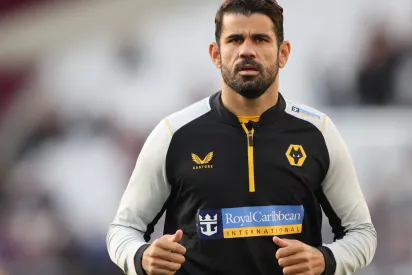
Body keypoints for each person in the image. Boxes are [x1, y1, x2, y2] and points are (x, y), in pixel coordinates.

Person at [106, 1, 377, 274]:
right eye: (235, 40)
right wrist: (140, 257)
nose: (247, 50)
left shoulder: (318, 132)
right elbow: (123, 229)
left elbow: (362, 233)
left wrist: (326, 260)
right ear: (216, 54)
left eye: (260, 39)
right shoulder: (173, 133)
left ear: (283, 53)